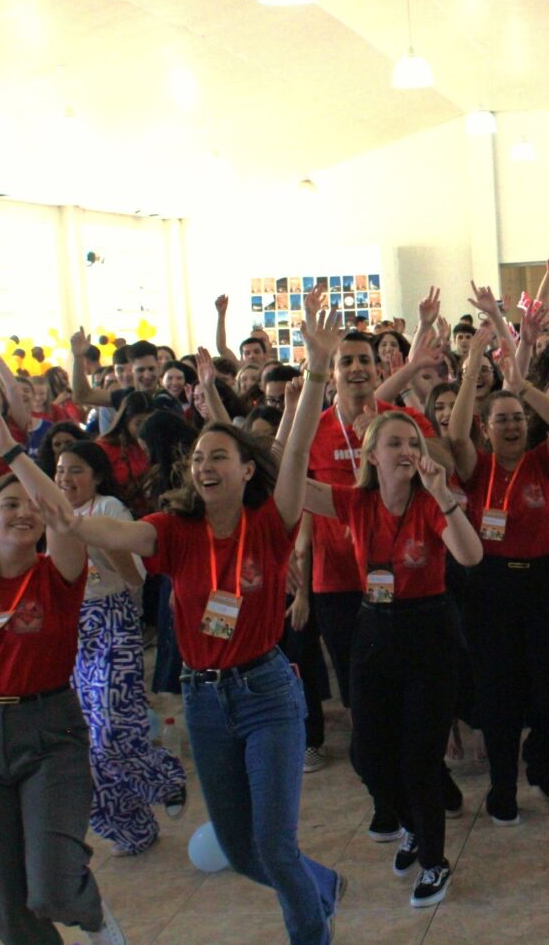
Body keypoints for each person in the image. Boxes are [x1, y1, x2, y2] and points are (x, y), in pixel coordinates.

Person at [38, 295, 345, 944]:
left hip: (266, 691)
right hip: (206, 701)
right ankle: (323, 887)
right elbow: (121, 531)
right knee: (239, 849)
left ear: (242, 468)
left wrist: (316, 372)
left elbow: (292, 460)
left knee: (273, 841)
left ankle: (312, 927)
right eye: (199, 458)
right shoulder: (175, 528)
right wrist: (72, 520)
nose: (204, 465)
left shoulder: (271, 521)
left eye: (218, 457)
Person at [0, 394, 126, 945]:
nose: (23, 512)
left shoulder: (57, 571)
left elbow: (65, 513)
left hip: (49, 733)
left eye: (30, 505)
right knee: (0, 894)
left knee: (53, 889)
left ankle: (92, 915)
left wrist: (12, 451)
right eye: (8, 505)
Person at [300, 366, 483, 908]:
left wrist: (442, 491)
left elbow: (470, 555)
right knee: (368, 755)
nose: (405, 448)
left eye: (412, 440)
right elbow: (284, 481)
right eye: (393, 441)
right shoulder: (354, 503)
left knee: (418, 758)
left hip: (429, 633)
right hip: (373, 631)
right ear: (371, 456)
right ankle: (409, 824)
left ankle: (434, 860)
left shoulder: (432, 501)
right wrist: (300, 402)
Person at [448, 325, 549, 826]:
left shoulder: (545, 463)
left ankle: (542, 754)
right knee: (498, 696)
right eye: (502, 419)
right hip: (489, 587)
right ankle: (502, 787)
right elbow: (454, 434)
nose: (513, 425)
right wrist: (473, 365)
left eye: (518, 418)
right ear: (487, 426)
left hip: (541, 583)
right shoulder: (477, 468)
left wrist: (524, 388)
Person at [54, 441, 187, 855]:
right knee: (88, 744)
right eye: (59, 470)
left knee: (111, 729)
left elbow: (136, 580)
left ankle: (166, 777)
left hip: (112, 620)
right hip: (71, 630)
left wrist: (99, 544)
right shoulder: (50, 517)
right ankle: (131, 829)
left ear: (95, 476)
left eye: (75, 470)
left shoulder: (109, 509)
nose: (65, 479)